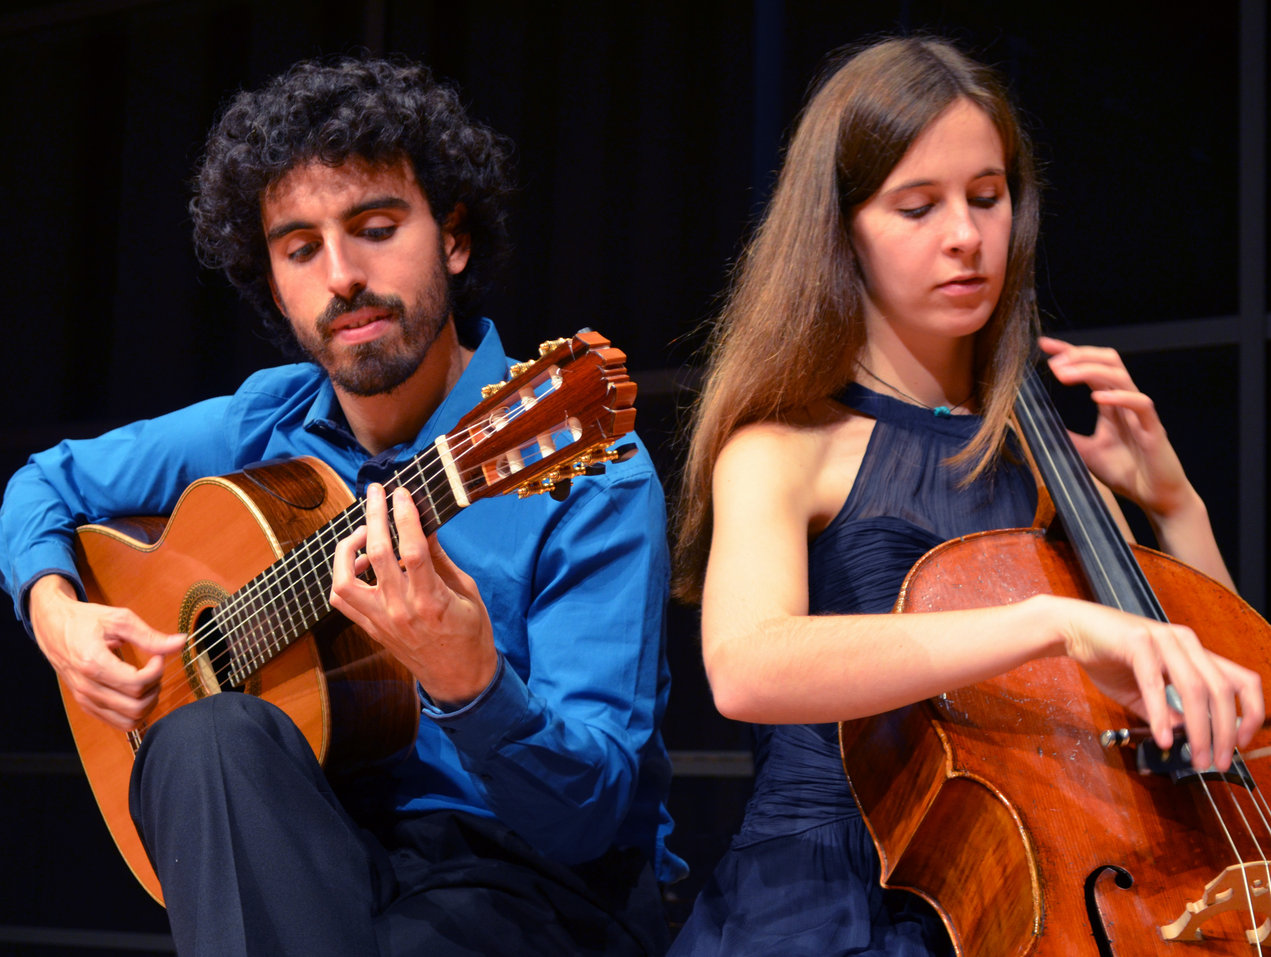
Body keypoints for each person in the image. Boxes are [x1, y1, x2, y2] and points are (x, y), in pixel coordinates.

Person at [0, 56, 685, 956]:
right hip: (316, 851)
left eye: (374, 226)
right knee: (207, 735)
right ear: (273, 283)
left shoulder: (577, 466)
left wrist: (470, 683)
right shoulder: (262, 421)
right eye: (299, 248)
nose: (341, 276)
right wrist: (55, 611)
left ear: (453, 239)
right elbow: (42, 483)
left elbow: (588, 818)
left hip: (532, 886)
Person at [669, 37, 1261, 956]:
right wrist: (1053, 622)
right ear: (840, 228)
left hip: (1045, 888)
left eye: (987, 198)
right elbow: (746, 666)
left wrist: (1175, 505)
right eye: (917, 206)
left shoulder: (1043, 456)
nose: (965, 235)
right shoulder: (782, 446)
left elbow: (1228, 689)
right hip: (830, 899)